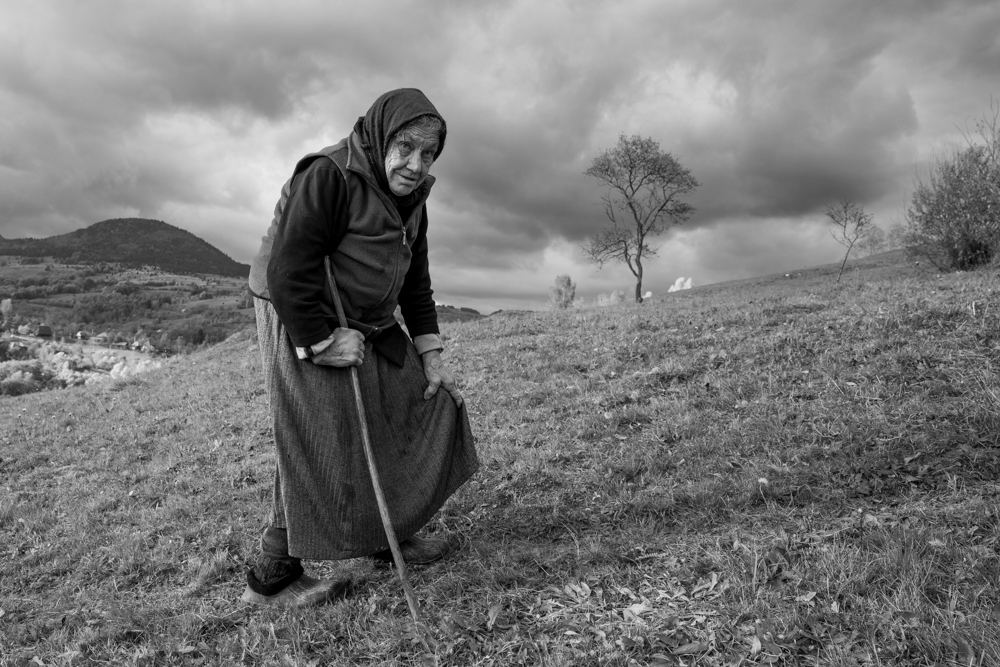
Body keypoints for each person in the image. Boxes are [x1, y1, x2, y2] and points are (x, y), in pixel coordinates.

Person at [244, 88, 479, 605]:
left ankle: (385, 533)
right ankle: (273, 576)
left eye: (429, 153)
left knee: (409, 401)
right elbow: (288, 270)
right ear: (379, 137)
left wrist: (430, 355)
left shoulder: (412, 197)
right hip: (300, 310)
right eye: (406, 147)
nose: (416, 164)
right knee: (318, 434)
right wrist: (321, 343)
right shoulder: (329, 175)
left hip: (369, 317)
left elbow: (415, 279)